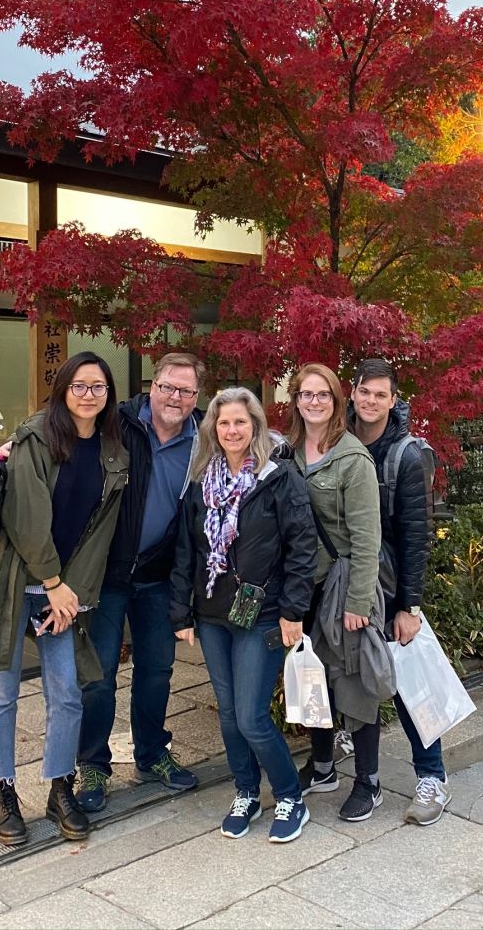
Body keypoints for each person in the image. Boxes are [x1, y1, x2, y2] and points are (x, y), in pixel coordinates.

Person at [0, 352, 129, 846]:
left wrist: (70, 594)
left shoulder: (114, 452)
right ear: (62, 389)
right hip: (13, 581)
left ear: (108, 393)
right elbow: (26, 517)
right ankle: (3, 790)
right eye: (79, 385)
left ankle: (59, 787)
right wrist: (53, 583)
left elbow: (101, 534)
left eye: (98, 386)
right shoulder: (35, 437)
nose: (88, 394)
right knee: (1, 694)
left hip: (64, 593)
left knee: (67, 694)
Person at [171, 387, 317, 842]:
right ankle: (247, 791)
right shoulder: (201, 483)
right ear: (213, 429)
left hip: (265, 614)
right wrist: (181, 612)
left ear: (254, 426)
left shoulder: (279, 478)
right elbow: (186, 552)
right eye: (223, 422)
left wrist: (294, 610)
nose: (231, 430)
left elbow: (302, 548)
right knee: (230, 714)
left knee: (253, 716)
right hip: (213, 614)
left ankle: (291, 796)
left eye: (240, 421)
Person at [75, 353, 205, 811]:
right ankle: (92, 764)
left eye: (186, 390)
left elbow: (256, 442)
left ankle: (152, 754)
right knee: (99, 675)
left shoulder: (203, 438)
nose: (175, 397)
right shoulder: (120, 422)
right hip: (108, 574)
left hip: (159, 577)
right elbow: (62, 428)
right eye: (168, 386)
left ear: (196, 397)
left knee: (157, 670)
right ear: (153, 385)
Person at [349, 357, 450, 826]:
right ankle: (355, 773)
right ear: (352, 392)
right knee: (359, 680)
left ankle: (432, 776)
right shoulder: (339, 440)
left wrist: (410, 605)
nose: (371, 400)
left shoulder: (406, 454)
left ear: (393, 400)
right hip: (348, 587)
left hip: (389, 588)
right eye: (364, 391)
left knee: (410, 685)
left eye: (380, 394)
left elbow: (416, 534)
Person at [285, 362, 388, 822]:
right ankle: (323, 764)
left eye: (322, 394)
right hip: (301, 588)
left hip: (343, 587)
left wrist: (359, 603)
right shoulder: (286, 454)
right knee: (313, 679)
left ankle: (369, 780)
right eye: (305, 394)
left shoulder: (352, 458)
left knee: (353, 680)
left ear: (336, 401)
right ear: (296, 400)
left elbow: (368, 538)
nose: (313, 402)